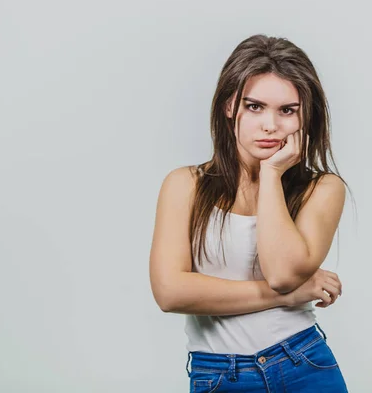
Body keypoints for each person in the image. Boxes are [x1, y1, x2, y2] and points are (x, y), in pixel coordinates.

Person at [149, 34, 351, 392]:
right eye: (255, 106)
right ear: (230, 105)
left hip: (303, 363)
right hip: (219, 375)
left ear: (306, 116)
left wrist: (272, 174)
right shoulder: (185, 185)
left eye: (287, 110)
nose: (270, 125)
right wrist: (289, 296)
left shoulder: (322, 188)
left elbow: (282, 274)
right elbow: (170, 292)